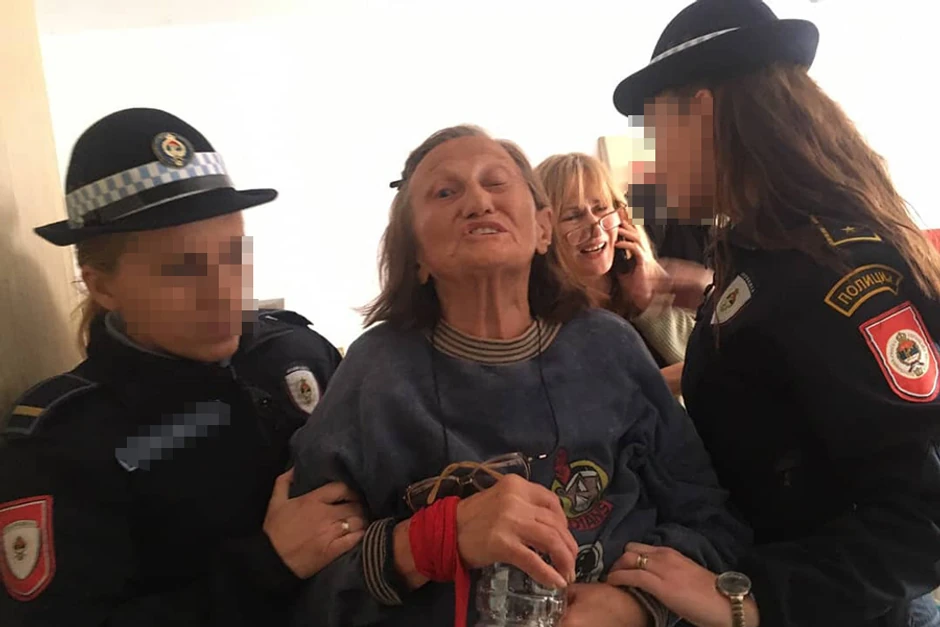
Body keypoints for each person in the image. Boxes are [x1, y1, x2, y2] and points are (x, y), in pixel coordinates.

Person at [286, 124, 750, 627]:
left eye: (496, 182)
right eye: (445, 192)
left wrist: (638, 603)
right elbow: (307, 585)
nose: (478, 201)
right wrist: (427, 543)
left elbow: (709, 517)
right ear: (415, 254)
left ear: (542, 229)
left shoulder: (610, 346)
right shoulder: (373, 374)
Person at [605, 2, 940, 627]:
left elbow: (923, 517)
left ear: (702, 112)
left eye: (653, 129)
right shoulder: (764, 250)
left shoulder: (842, 268)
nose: (649, 158)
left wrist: (751, 598)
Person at [0, 108, 364, 627]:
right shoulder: (65, 442)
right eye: (181, 269)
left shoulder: (296, 354)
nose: (224, 292)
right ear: (102, 285)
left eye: (233, 254)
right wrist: (268, 563)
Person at [535, 153, 705, 396]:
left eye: (601, 208)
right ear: (544, 232)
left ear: (622, 217)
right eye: (573, 216)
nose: (596, 228)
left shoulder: (641, 279)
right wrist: (664, 382)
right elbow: (584, 400)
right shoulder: (542, 318)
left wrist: (650, 304)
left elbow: (706, 362)